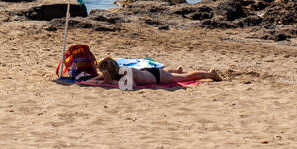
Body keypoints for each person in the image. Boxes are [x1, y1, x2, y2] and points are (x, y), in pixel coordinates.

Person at [94, 57, 222, 86]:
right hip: (149, 72)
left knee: (186, 77)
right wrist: (92, 80)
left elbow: (131, 85)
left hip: (157, 76)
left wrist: (112, 82)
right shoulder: (115, 71)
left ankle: (210, 74)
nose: (102, 74)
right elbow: (101, 77)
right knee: (172, 74)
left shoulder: (125, 72)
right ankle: (175, 70)